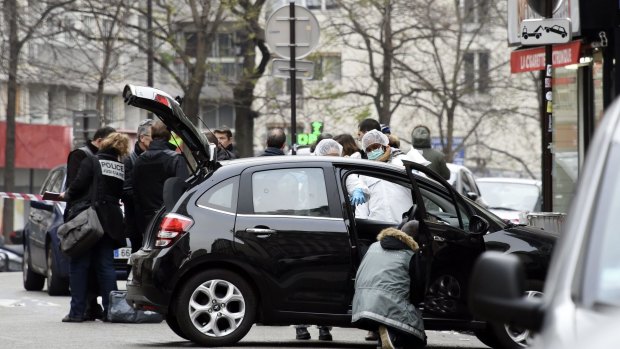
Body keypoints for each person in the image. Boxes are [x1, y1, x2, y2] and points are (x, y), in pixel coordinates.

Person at [60, 132, 130, 322]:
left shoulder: (91, 160)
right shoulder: (120, 166)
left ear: (104, 143)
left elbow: (76, 187)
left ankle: (77, 312)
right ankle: (111, 310)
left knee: (79, 264)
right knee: (106, 266)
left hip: (90, 221)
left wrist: (65, 195)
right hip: (111, 221)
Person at [352, 220, 427, 349]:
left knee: (387, 307)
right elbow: (416, 292)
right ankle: (392, 336)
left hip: (361, 305)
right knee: (418, 339)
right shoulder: (411, 255)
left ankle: (382, 334)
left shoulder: (373, 246)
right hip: (387, 305)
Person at [132, 120, 190, 240]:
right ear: (169, 136)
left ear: (152, 135)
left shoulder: (139, 160)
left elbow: (135, 192)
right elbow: (184, 192)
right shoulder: (175, 159)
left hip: (146, 220)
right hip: (170, 220)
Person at [122, 119, 153, 253]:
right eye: (153, 137)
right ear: (142, 137)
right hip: (135, 221)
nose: (156, 141)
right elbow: (126, 191)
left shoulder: (157, 157)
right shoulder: (129, 160)